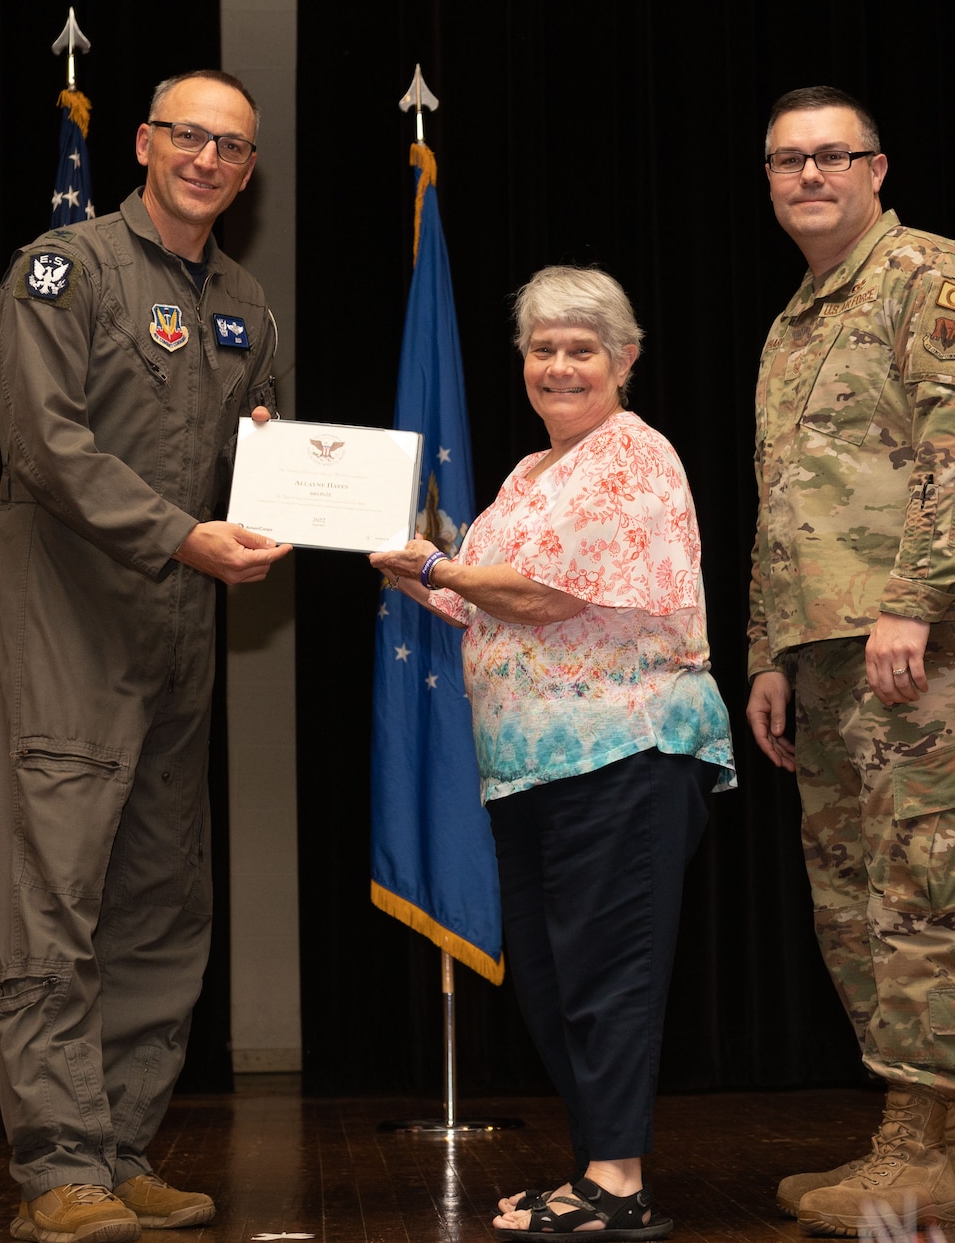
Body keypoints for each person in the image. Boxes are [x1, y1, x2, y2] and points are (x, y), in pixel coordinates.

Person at [0, 68, 291, 1243]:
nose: (209, 159)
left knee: (163, 899)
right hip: (68, 622)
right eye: (189, 136)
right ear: (145, 142)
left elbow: (259, 448)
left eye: (234, 147)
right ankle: (56, 1169)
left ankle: (118, 1149)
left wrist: (282, 478)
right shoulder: (61, 270)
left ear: (248, 169)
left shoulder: (246, 303)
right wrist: (182, 531)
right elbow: (43, 441)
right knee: (59, 898)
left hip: (182, 635)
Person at [370, 266, 735, 1242]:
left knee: (606, 969)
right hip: (530, 767)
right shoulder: (531, 473)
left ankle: (618, 1181)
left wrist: (438, 564)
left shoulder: (632, 456)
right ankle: (594, 1170)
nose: (560, 364)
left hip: (623, 752)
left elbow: (541, 595)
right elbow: (474, 595)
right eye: (543, 347)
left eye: (582, 347)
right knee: (549, 974)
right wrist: (406, 565)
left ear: (623, 357)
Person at [745, 86, 955, 1232]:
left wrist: (911, 600)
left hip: (927, 642)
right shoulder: (796, 318)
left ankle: (912, 1141)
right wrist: (767, 646)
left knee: (926, 885)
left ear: (874, 168)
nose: (807, 177)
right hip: (824, 650)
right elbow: (782, 505)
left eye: (830, 157)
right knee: (855, 902)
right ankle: (927, 1153)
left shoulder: (932, 277)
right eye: (785, 162)